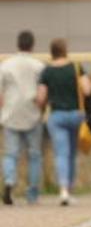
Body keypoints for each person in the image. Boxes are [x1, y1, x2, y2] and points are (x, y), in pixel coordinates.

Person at [36, 39, 91, 206]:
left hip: (57, 115)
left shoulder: (46, 71)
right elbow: (87, 89)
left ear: (51, 52)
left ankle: (63, 191)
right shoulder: (75, 67)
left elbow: (41, 97)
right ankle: (71, 188)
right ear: (65, 50)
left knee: (61, 153)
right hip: (76, 114)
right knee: (72, 154)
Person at [2, 31, 47, 206]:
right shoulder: (39, 66)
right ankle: (32, 193)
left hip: (11, 113)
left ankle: (9, 181)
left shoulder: (6, 65)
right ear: (32, 45)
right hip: (33, 113)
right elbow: (43, 92)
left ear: (18, 44)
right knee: (34, 155)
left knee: (10, 154)